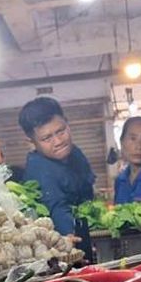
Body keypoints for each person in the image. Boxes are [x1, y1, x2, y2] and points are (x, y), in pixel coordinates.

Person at [20, 97, 95, 235]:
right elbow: (57, 210)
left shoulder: (75, 153)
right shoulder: (39, 170)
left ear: (67, 123)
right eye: (47, 138)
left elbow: (88, 192)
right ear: (31, 142)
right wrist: (73, 235)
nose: (58, 141)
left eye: (61, 131)